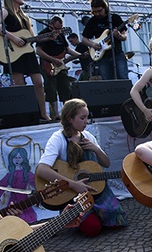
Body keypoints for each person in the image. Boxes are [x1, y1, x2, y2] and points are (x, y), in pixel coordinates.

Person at [35, 98, 127, 237]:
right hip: (73, 196)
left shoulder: (88, 136)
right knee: (93, 228)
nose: (86, 121)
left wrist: (95, 149)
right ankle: (78, 218)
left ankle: (96, 214)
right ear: (70, 119)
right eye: (82, 118)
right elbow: (42, 169)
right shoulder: (58, 138)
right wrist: (73, 184)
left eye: (87, 117)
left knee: (117, 222)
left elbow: (106, 163)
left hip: (96, 192)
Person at [0, 0, 50, 121]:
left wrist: (48, 37)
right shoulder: (5, 11)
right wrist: (13, 38)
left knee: (39, 83)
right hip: (14, 52)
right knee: (20, 85)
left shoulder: (24, 16)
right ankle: (27, 114)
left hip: (27, 52)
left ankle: (43, 113)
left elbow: (31, 37)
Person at [36, 16, 81, 121]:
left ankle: (67, 113)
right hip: (48, 64)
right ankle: (55, 114)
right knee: (51, 88)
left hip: (60, 65)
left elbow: (67, 49)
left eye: (60, 28)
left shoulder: (60, 35)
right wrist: (52, 59)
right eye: (56, 28)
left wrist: (80, 54)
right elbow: (38, 51)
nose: (58, 31)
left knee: (65, 88)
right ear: (51, 24)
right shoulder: (43, 34)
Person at [81, 0, 129, 80]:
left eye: (99, 11)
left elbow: (124, 37)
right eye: (95, 12)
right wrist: (93, 44)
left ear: (105, 8)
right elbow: (84, 39)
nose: (97, 14)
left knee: (123, 78)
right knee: (107, 80)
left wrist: (118, 35)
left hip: (117, 53)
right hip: (102, 57)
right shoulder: (92, 21)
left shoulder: (114, 18)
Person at [0, 147, 37, 223]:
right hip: (13, 203)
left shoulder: (27, 174)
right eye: (15, 157)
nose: (17, 159)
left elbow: (36, 184)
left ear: (23, 158)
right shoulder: (10, 174)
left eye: (19, 157)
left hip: (25, 201)